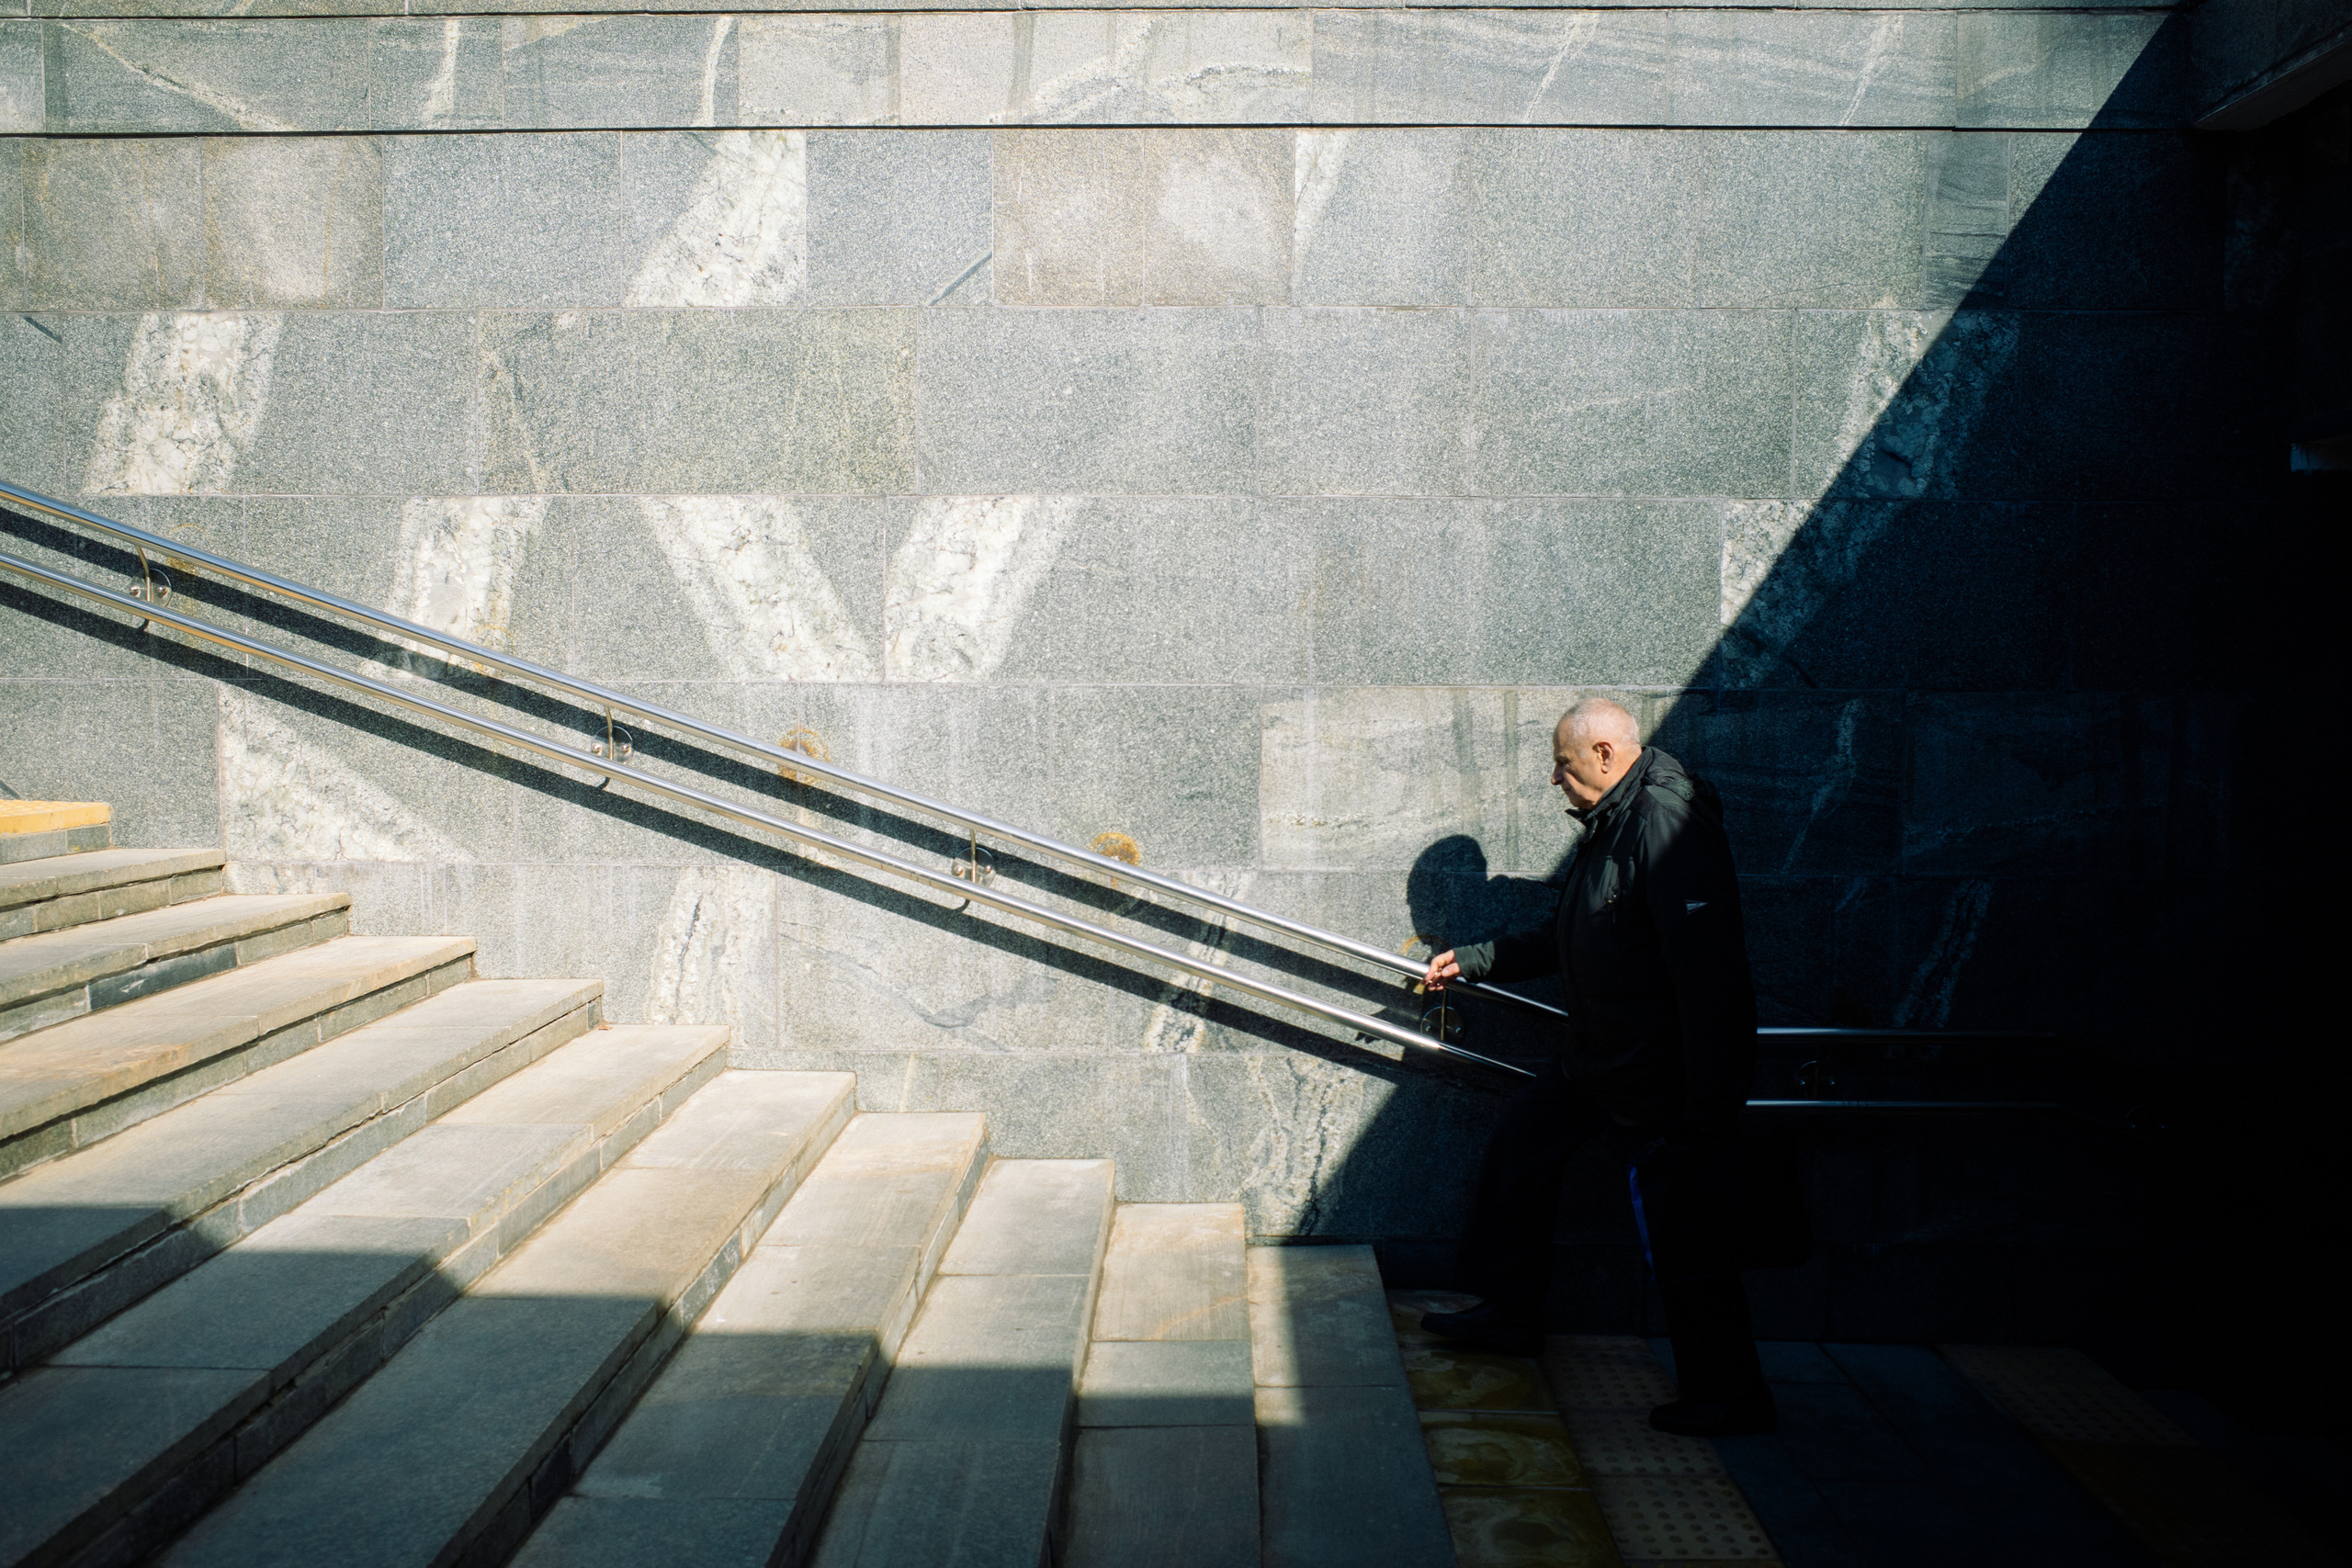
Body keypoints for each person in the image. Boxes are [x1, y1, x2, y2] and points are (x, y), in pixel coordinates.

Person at [1419, 696, 1774, 1437]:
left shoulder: (1663, 824)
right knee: (1522, 1148)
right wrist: (1477, 959)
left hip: (1656, 1073)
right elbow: (1570, 933)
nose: (1555, 778)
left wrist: (1710, 1104)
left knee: (1687, 1233)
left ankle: (1730, 1395)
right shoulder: (1612, 823)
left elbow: (1711, 973)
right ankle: (1512, 1313)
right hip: (1598, 1059)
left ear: (1605, 754)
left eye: (1563, 762)